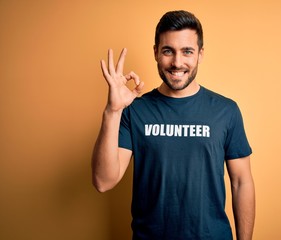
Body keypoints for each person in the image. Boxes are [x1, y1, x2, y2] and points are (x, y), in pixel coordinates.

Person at [92, 10, 255, 240]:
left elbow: (241, 182)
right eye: (168, 51)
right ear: (156, 52)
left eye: (187, 51)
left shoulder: (226, 111)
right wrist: (113, 110)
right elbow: (103, 181)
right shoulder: (135, 111)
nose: (177, 62)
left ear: (200, 54)